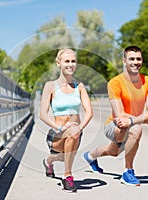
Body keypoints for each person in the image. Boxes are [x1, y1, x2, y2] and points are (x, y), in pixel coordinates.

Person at [83, 45, 148, 186]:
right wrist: (144, 120)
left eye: (138, 59)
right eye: (132, 59)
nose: (136, 62)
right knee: (136, 129)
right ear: (124, 61)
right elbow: (120, 115)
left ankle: (90, 156)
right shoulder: (115, 83)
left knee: (113, 151)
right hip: (114, 125)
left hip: (129, 123)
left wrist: (140, 119)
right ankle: (128, 172)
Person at [40, 48, 93, 192]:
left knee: (64, 156)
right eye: (67, 61)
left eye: (73, 61)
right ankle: (61, 171)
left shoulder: (79, 87)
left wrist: (80, 128)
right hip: (56, 134)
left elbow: (89, 112)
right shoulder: (50, 86)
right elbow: (43, 114)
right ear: (58, 63)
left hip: (75, 133)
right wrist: (60, 128)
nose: (70, 64)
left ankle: (56, 168)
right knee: (62, 156)